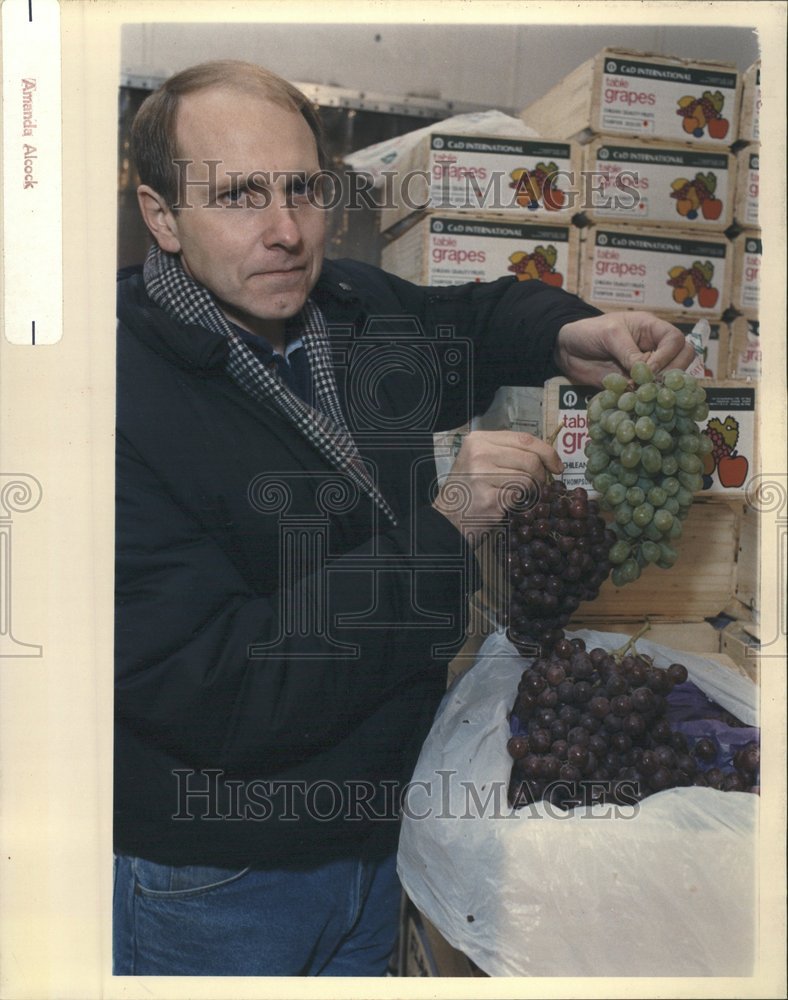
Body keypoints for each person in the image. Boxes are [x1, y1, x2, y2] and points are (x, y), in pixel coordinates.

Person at [113, 60, 695, 977]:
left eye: (305, 189)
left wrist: (565, 332)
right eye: (240, 196)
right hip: (221, 879)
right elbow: (219, 686)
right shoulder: (106, 395)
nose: (286, 231)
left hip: (382, 844)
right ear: (159, 216)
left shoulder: (344, 308)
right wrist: (447, 524)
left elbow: (475, 319)